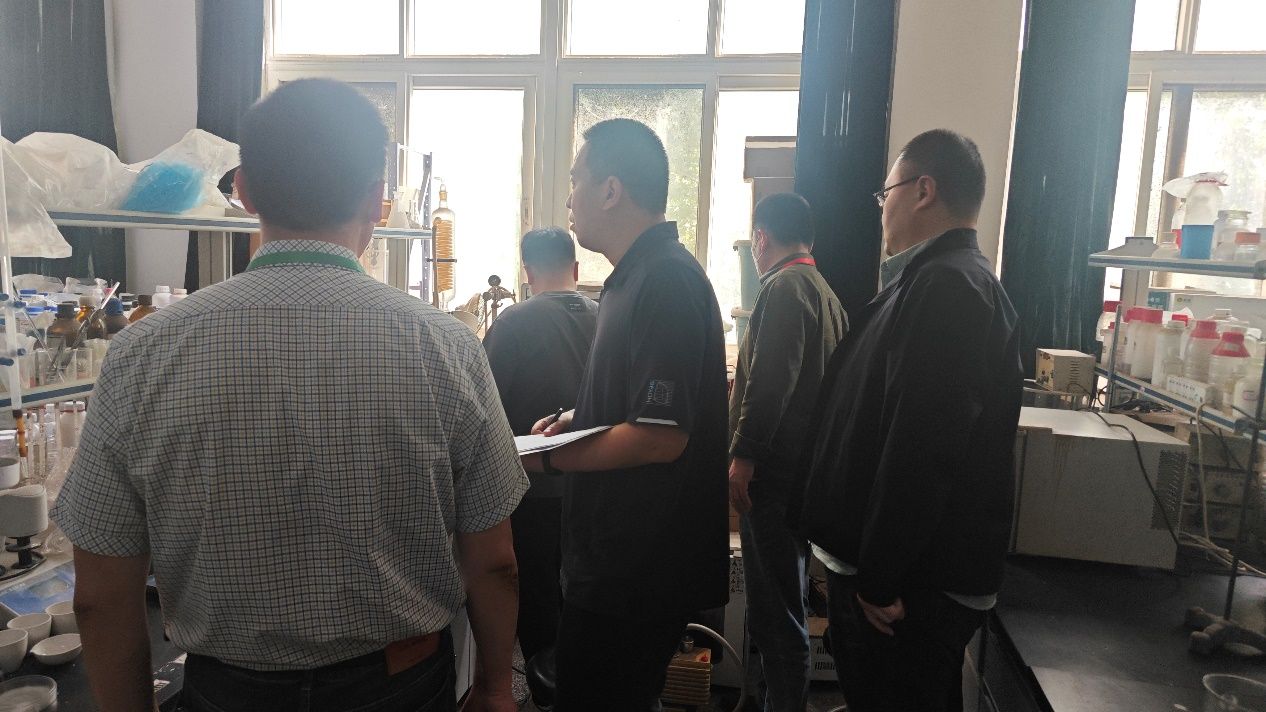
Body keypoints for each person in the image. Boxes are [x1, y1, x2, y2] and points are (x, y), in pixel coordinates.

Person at [51, 79, 528, 712]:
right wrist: (495, 687)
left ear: (243, 190)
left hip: (227, 691)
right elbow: (494, 563)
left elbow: (100, 595)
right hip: (402, 684)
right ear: (377, 199)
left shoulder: (142, 352)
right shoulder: (446, 346)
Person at [798, 129, 1023, 712]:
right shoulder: (930, 279)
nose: (882, 210)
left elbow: (922, 448)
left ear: (924, 191)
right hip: (901, 578)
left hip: (906, 591)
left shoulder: (949, 287)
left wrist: (880, 579)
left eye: (886, 194)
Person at [520, 118, 730, 711]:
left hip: (636, 570)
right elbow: (638, 406)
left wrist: (551, 458)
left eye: (576, 180)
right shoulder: (631, 279)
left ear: (611, 190)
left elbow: (660, 437)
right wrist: (578, 417)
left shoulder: (666, 280)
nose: (569, 199)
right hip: (613, 561)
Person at [728, 192, 847, 712]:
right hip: (805, 478)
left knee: (777, 615)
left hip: (773, 481)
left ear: (761, 238)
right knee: (786, 601)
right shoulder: (825, 294)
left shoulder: (783, 288)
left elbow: (771, 383)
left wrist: (744, 457)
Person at [481, 227, 598, 672]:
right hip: (597, 482)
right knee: (584, 593)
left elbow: (484, 406)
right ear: (575, 268)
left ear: (528, 272)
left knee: (538, 591)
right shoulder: (606, 316)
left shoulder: (513, 323)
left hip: (533, 486)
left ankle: (545, 685)